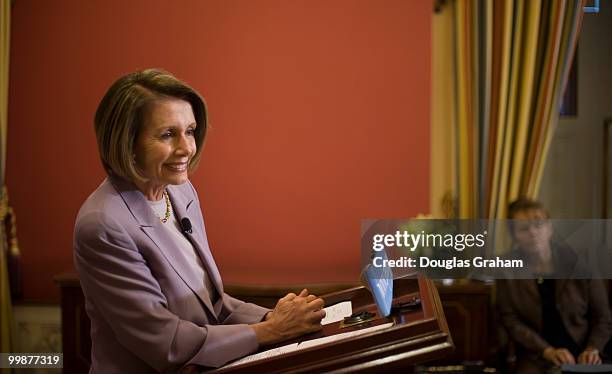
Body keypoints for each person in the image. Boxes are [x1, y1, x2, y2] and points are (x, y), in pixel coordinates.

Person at [74, 69, 326, 373]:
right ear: (126, 142)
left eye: (190, 131)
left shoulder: (180, 191)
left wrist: (271, 319)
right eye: (167, 134)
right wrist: (269, 331)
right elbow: (165, 342)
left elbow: (213, 304)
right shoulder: (103, 225)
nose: (186, 148)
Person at [497, 198, 611, 373]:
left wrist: (592, 349)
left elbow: (602, 317)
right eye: (524, 229)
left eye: (538, 225)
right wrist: (547, 351)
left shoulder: (579, 262)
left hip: (583, 351)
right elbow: (510, 320)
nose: (533, 232)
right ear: (514, 237)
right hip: (536, 354)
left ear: (549, 228)